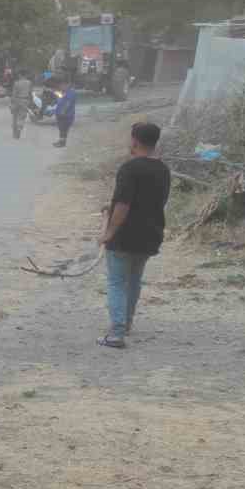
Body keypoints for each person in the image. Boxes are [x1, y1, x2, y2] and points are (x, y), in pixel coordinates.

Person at [97, 122, 171, 349]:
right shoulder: (163, 170)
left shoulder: (129, 169)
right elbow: (160, 202)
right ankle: (126, 323)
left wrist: (108, 232)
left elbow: (123, 205)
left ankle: (117, 333)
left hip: (124, 235)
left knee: (117, 281)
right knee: (134, 281)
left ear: (135, 141)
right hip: (150, 234)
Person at [51, 80, 78, 147]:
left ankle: (62, 143)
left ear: (67, 85)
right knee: (61, 129)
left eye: (62, 85)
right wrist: (54, 92)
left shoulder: (71, 92)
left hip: (66, 114)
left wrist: (63, 111)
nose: (61, 87)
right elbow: (61, 97)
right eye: (60, 86)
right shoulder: (65, 92)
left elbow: (68, 103)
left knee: (63, 129)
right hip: (60, 113)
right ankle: (61, 141)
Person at [9, 70, 34, 139]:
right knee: (22, 116)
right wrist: (31, 102)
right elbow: (30, 93)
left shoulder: (16, 83)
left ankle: (15, 132)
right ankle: (19, 127)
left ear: (20, 75)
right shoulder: (29, 83)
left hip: (17, 100)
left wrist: (11, 103)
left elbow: (14, 94)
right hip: (25, 100)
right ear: (26, 75)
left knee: (15, 117)